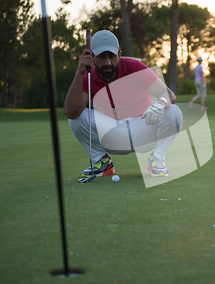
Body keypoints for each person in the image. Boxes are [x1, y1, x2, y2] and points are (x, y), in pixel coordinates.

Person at [64, 30, 182, 180]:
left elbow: (169, 94)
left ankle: (157, 159)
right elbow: (71, 112)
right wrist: (79, 73)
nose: (107, 62)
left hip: (144, 128)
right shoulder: (87, 76)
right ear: (92, 57)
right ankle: (102, 161)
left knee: (174, 112)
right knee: (77, 117)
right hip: (113, 134)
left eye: (112, 56)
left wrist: (160, 103)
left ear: (119, 54)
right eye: (101, 57)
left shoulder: (134, 66)